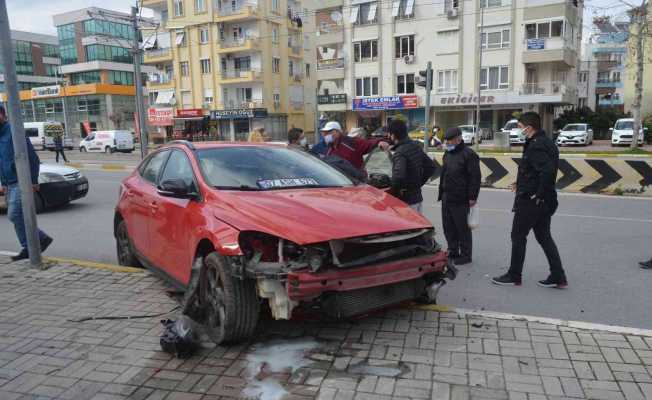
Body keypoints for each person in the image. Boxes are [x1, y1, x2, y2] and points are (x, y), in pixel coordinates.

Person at [492, 112, 567, 288]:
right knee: (544, 237)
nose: (519, 130)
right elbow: (536, 171)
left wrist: (538, 194)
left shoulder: (536, 146)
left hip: (532, 201)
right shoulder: (547, 142)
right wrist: (521, 183)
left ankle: (514, 275)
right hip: (545, 200)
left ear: (529, 127)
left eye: (520, 127)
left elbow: (547, 171)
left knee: (518, 236)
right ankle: (558, 276)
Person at [0, 105, 53, 261]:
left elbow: (32, 157)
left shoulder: (14, 131)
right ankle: (29, 246)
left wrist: (34, 180)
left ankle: (38, 240)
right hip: (9, 183)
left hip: (21, 181)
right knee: (17, 216)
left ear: (3, 115)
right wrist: (3, 183)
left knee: (14, 215)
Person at [438, 127, 481, 266]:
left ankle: (466, 255)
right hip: (446, 196)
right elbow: (444, 173)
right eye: (446, 141)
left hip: (461, 198)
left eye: (449, 141)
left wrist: (472, 196)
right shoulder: (448, 153)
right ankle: (452, 250)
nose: (447, 143)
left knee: (462, 228)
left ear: (458, 139)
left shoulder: (469, 154)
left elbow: (475, 177)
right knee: (448, 227)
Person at [386, 120, 437, 213]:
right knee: (419, 226)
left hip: (406, 203)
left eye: (389, 133)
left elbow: (398, 177)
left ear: (394, 134)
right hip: (417, 199)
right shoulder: (415, 146)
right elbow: (431, 166)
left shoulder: (400, 152)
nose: (388, 136)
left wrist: (392, 193)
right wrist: (418, 184)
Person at [320, 121, 389, 172]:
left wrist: (379, 142)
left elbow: (368, 143)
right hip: (339, 182)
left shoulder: (350, 142)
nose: (326, 135)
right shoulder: (326, 148)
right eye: (325, 132)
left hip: (356, 181)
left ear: (338, 132)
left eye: (329, 132)